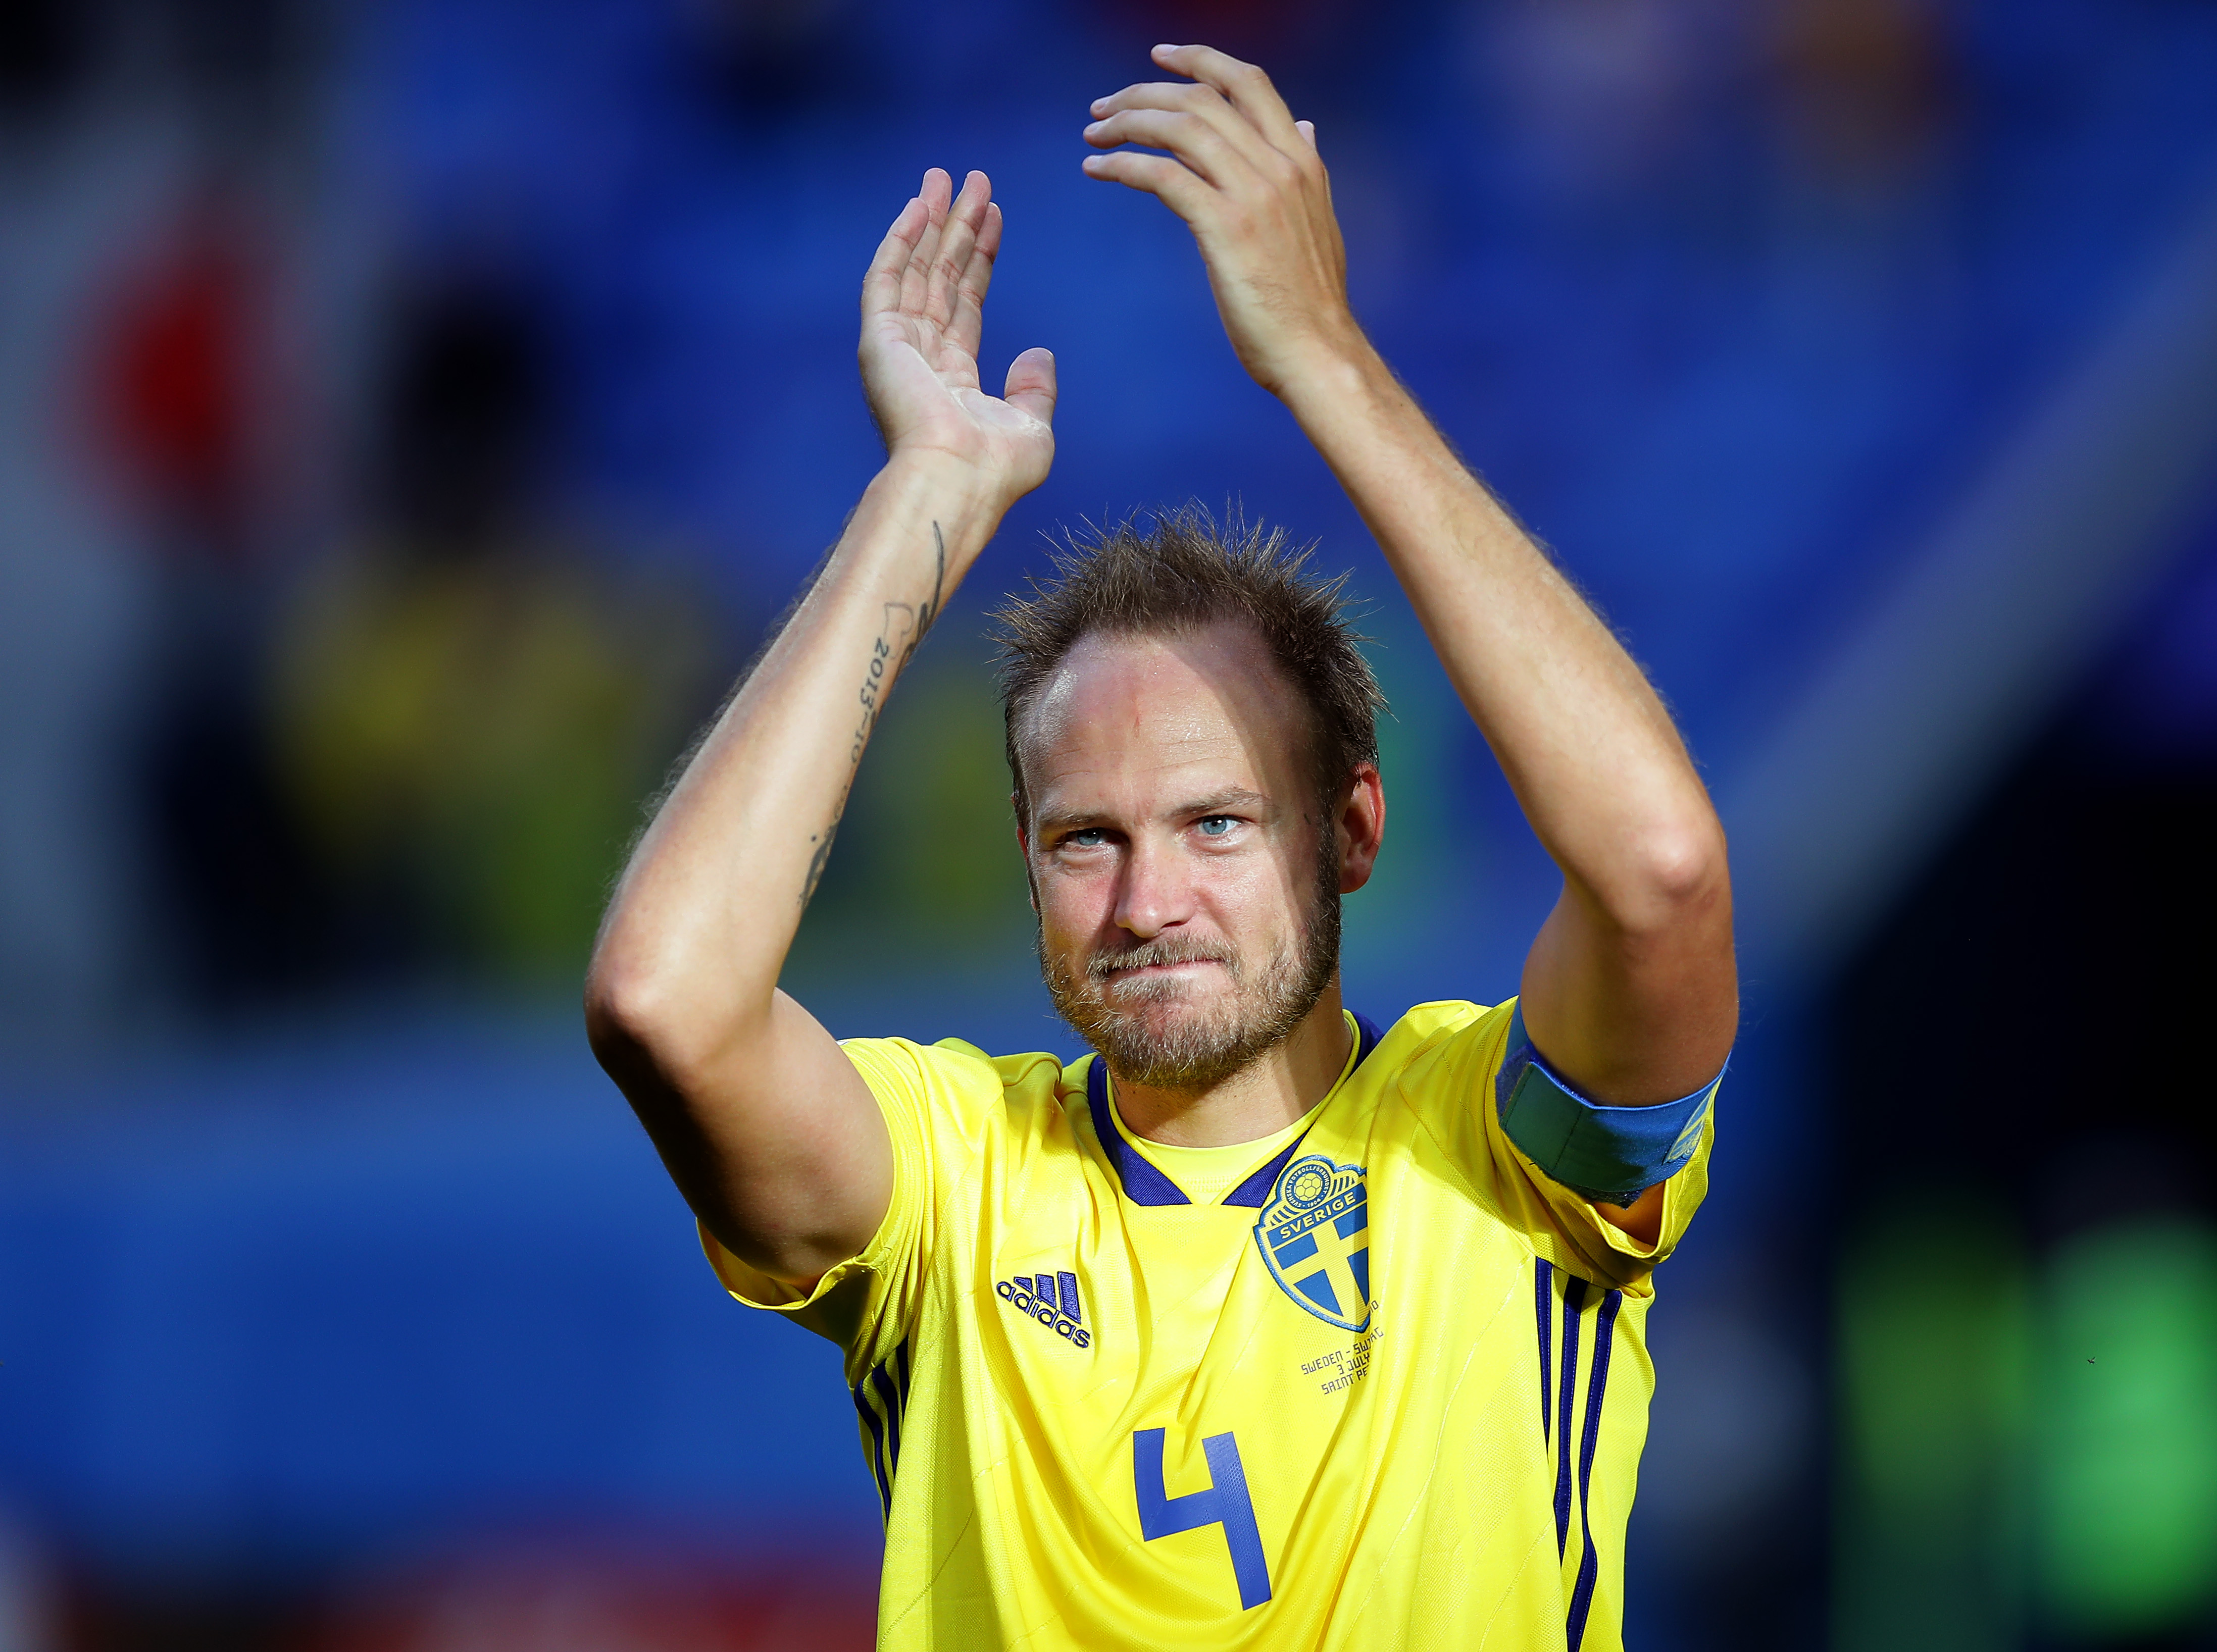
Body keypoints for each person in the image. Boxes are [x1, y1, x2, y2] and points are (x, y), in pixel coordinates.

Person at [585, 43, 1737, 1651]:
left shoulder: (1504, 1160)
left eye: (1214, 824)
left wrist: (1327, 360)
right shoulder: (957, 1187)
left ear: (1350, 828)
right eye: (1085, 840)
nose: (1147, 902)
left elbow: (1662, 871)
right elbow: (663, 1001)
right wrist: (920, 503)